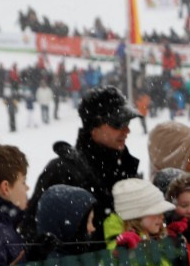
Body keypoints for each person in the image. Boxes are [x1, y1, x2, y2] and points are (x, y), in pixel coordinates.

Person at [26, 86, 142, 246]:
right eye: (118, 123)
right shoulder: (61, 170)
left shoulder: (127, 167)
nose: (127, 130)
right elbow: (33, 233)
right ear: (93, 128)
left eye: (127, 122)